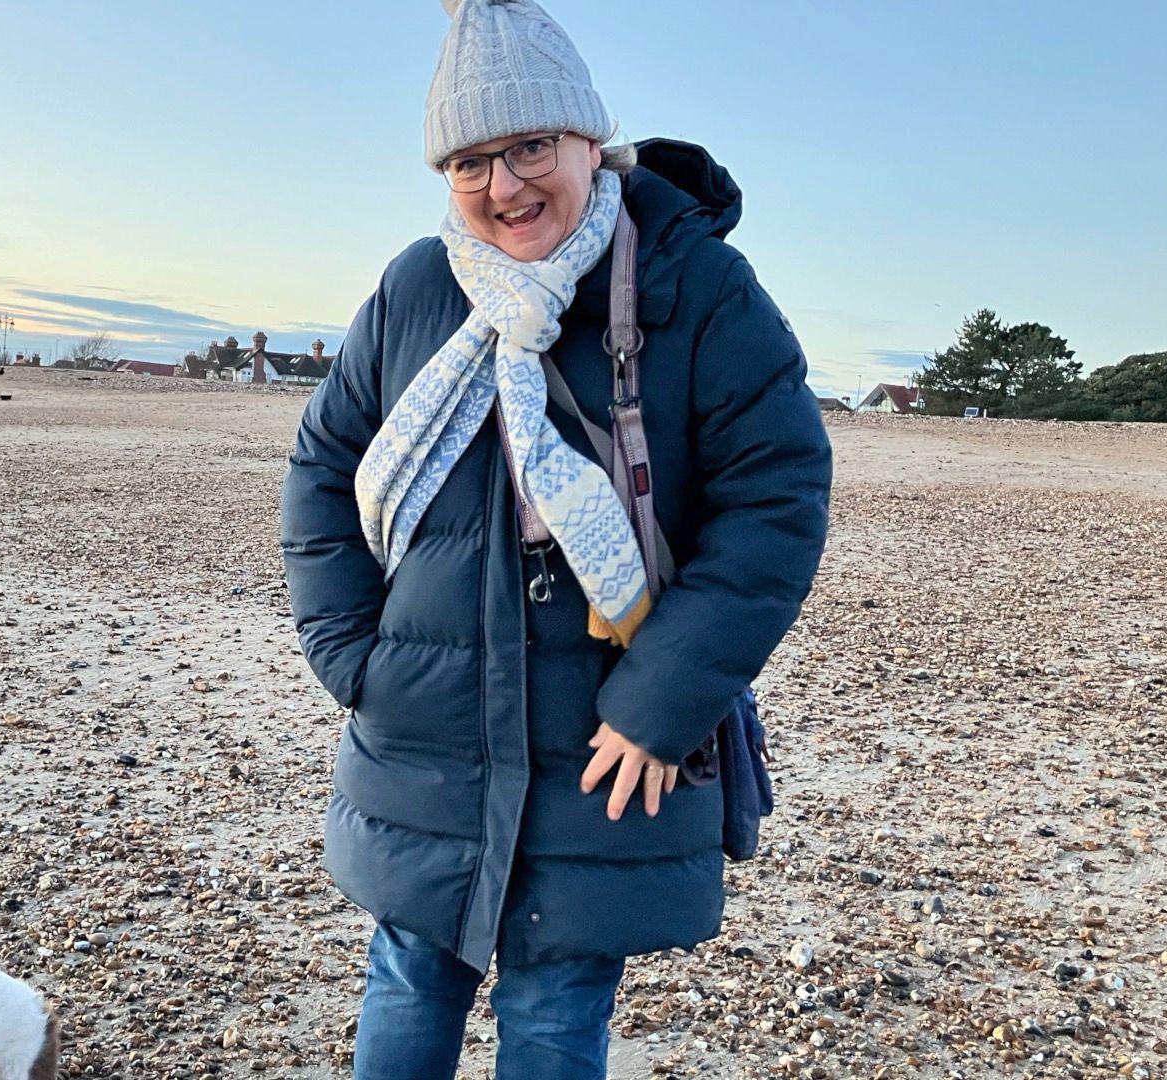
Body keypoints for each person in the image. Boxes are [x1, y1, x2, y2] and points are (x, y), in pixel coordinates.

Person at [278, 1, 834, 1076]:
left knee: (554, 1005)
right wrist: (347, 650)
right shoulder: (418, 286)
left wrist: (665, 705)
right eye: (471, 162)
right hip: (425, 708)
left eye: (531, 145)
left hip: (610, 724)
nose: (506, 187)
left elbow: (776, 502)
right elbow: (322, 465)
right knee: (409, 971)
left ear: (591, 140)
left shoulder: (697, 284)